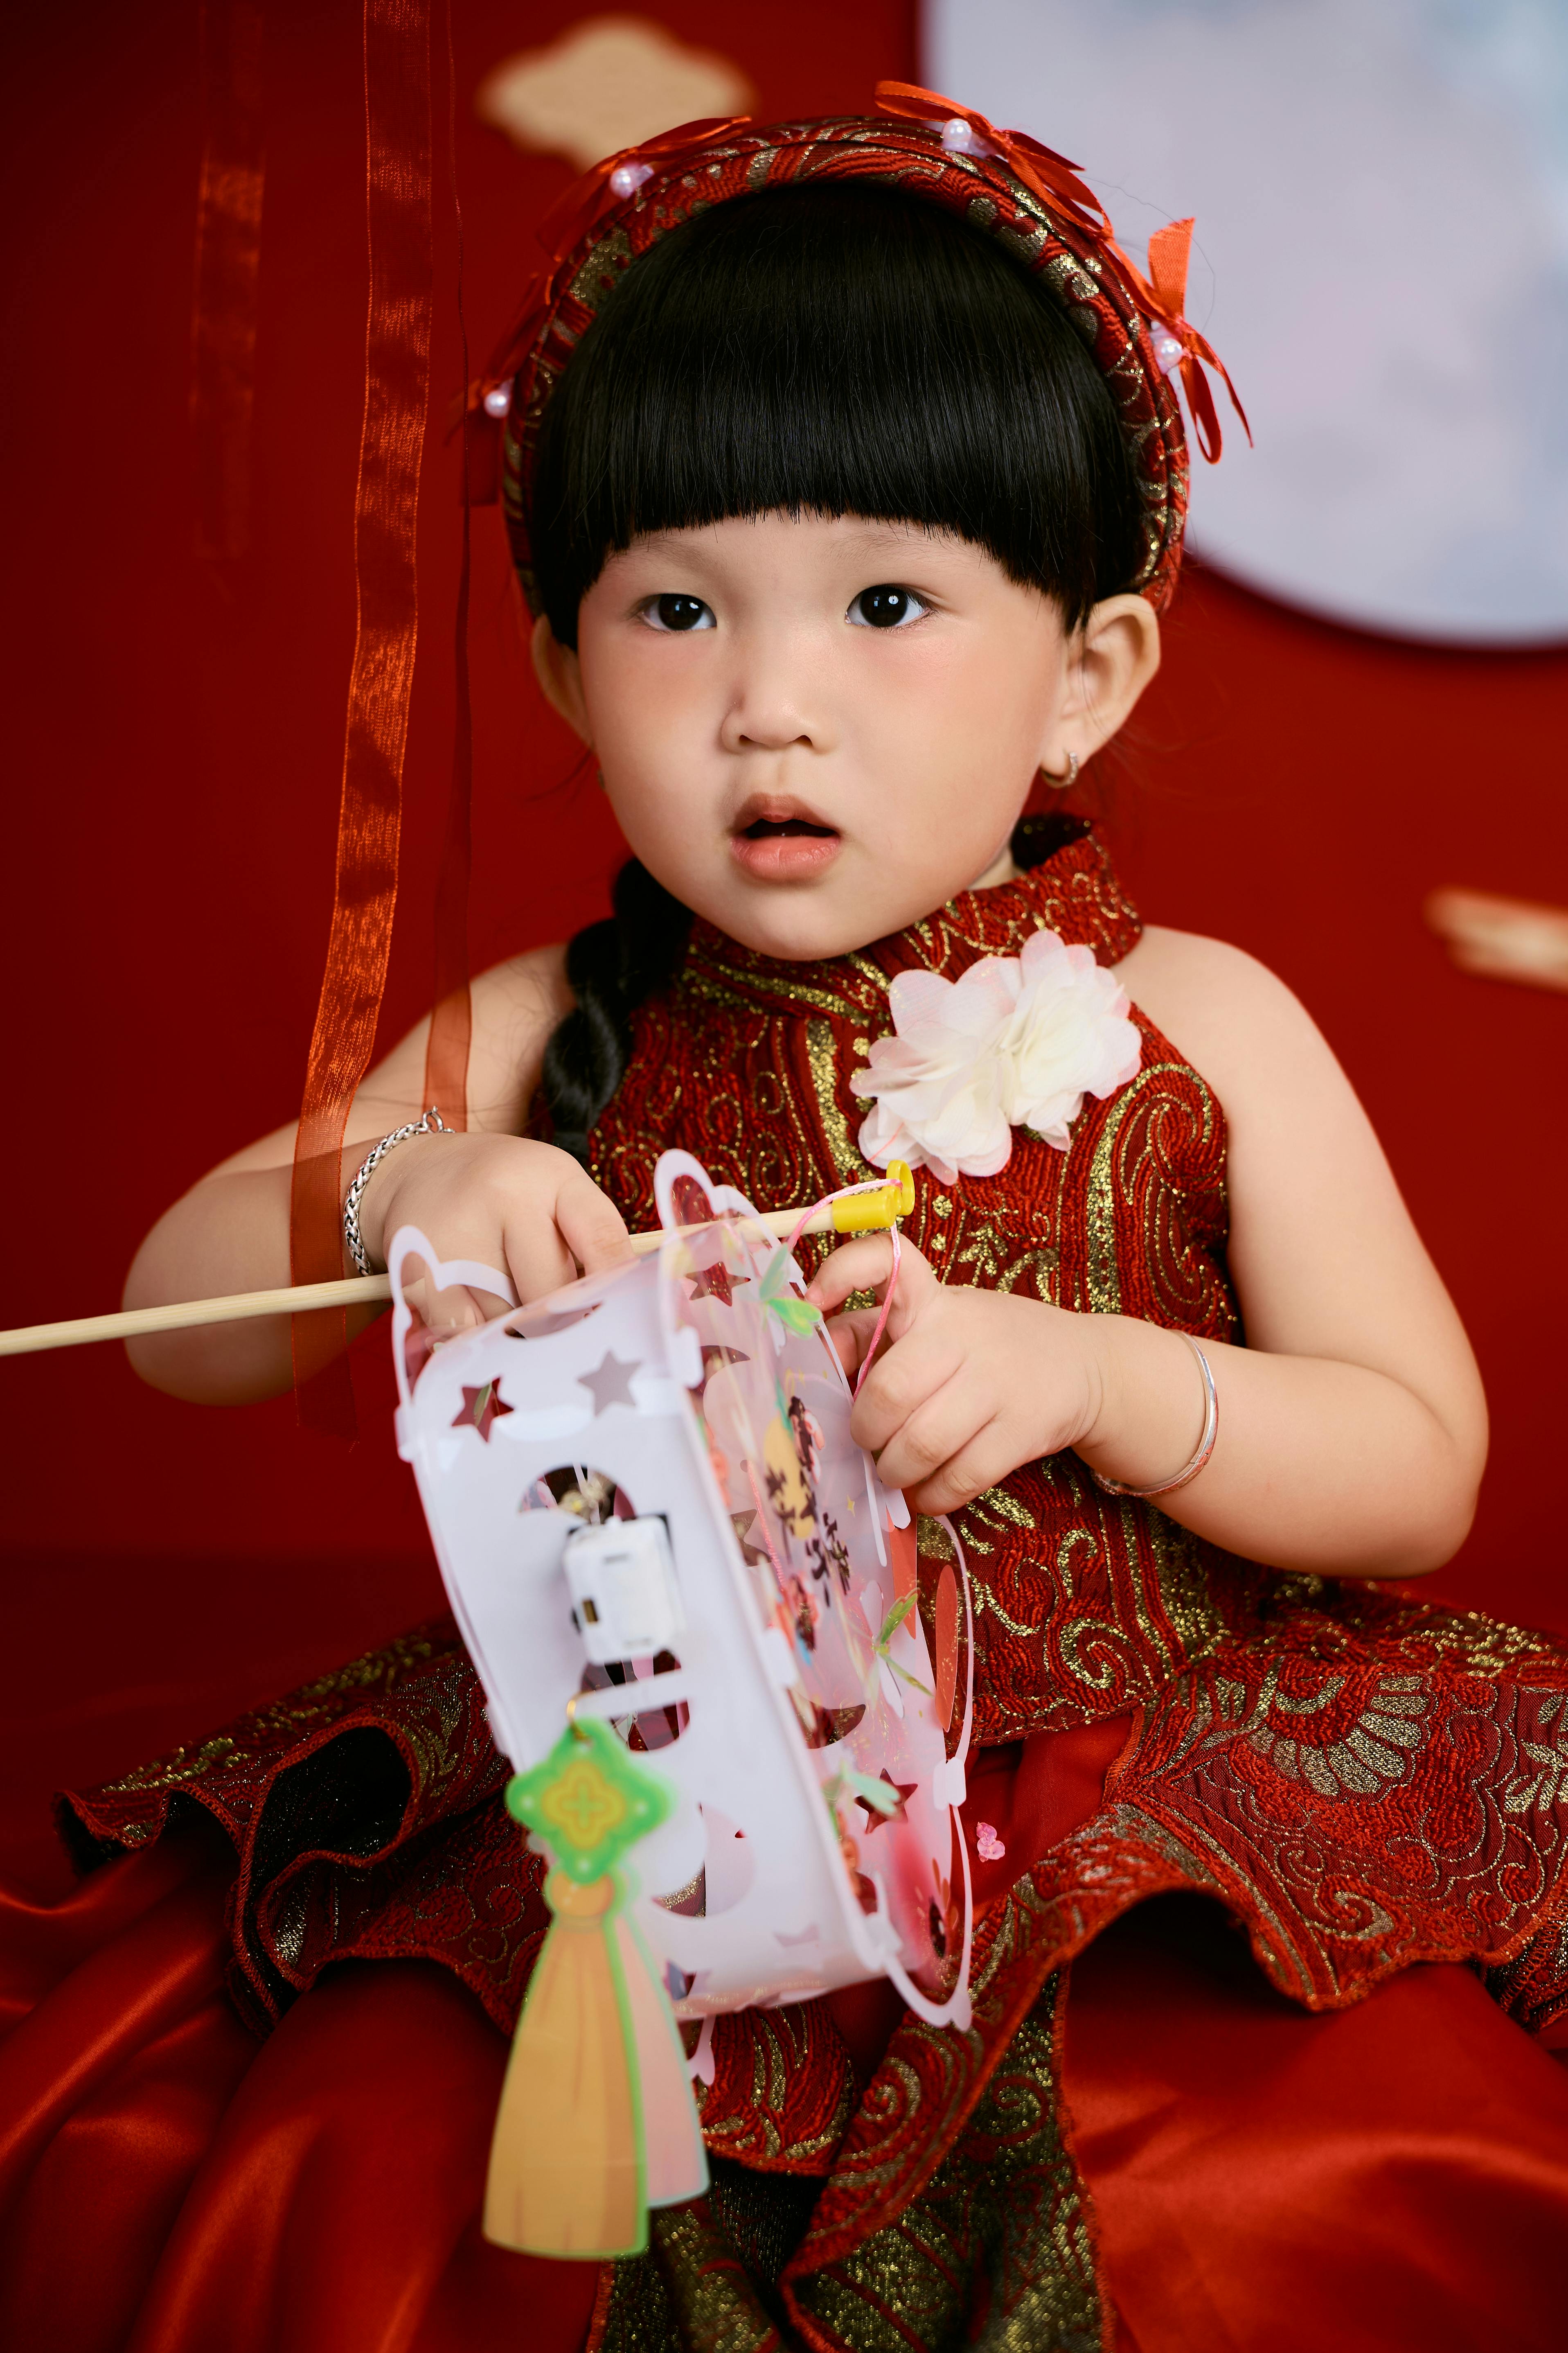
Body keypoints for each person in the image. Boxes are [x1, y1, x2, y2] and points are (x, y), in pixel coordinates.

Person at [6, 90, 1568, 2353]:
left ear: (1088, 673)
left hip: (1137, 1801)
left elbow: (1419, 1463)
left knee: (1269, 2189)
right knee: (368, 2174)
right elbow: (171, 1327)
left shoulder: (1186, 1022)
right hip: (651, 1801)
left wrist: (1105, 1377)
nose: (768, 699)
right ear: (560, 662)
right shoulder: (548, 1019)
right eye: (672, 605)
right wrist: (395, 1179)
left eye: (887, 602)